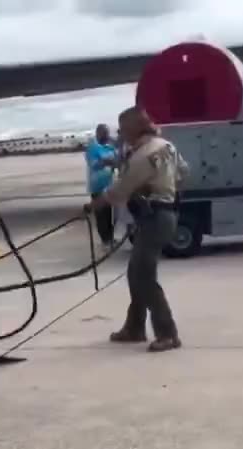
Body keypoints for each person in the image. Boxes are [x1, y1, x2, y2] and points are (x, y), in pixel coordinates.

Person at [88, 106, 188, 353]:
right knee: (136, 273)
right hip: (162, 215)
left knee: (144, 276)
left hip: (155, 218)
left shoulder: (143, 156)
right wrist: (165, 188)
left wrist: (94, 205)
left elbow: (119, 191)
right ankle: (134, 328)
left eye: (122, 128)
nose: (120, 133)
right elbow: (184, 172)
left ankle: (168, 334)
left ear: (133, 127)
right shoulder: (166, 146)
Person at [84, 124, 118, 246]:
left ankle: (110, 236)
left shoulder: (110, 147)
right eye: (104, 133)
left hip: (109, 184)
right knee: (100, 213)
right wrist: (108, 161)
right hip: (97, 185)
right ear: (98, 133)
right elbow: (94, 164)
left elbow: (118, 159)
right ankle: (105, 239)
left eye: (107, 133)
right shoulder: (92, 148)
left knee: (109, 213)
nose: (107, 136)